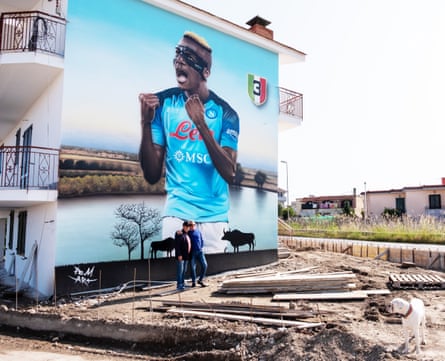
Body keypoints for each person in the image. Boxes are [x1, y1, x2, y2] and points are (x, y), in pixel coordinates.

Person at [139, 31, 239, 254]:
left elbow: (230, 173)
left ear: (206, 72)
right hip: (177, 213)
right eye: (178, 53)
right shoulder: (162, 104)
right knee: (175, 279)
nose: (180, 60)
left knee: (211, 281)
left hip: (214, 218)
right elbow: (152, 174)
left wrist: (201, 124)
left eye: (188, 56)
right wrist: (145, 123)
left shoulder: (227, 113)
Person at [187, 220, 208, 287]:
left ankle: (200, 280)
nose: (192, 226)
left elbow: (201, 240)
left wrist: (201, 247)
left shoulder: (198, 231)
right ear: (188, 226)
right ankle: (193, 282)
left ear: (195, 225)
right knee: (193, 268)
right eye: (190, 225)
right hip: (192, 253)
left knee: (205, 265)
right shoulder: (187, 233)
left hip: (200, 252)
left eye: (193, 225)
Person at [174, 221, 191, 291]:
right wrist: (179, 254)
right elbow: (177, 245)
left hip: (186, 256)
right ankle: (179, 285)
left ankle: (182, 283)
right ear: (183, 226)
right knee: (180, 271)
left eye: (189, 227)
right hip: (181, 256)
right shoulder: (179, 233)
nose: (188, 228)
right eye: (186, 226)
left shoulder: (187, 234)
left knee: (184, 270)